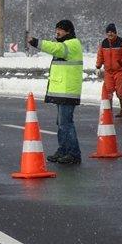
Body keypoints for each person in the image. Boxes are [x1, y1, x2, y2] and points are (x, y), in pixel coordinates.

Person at [28, 19, 84, 165]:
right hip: (62, 91)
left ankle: (73, 153)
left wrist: (37, 43)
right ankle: (64, 150)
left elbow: (56, 49)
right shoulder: (65, 44)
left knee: (66, 123)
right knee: (61, 123)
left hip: (68, 91)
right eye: (56, 29)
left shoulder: (71, 44)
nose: (57, 32)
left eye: (60, 29)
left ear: (68, 31)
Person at [96, 23, 122, 118]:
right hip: (108, 72)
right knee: (108, 91)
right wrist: (98, 66)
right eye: (108, 32)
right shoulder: (103, 43)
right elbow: (100, 55)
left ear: (115, 32)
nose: (110, 34)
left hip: (120, 71)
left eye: (112, 32)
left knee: (120, 92)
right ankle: (109, 111)